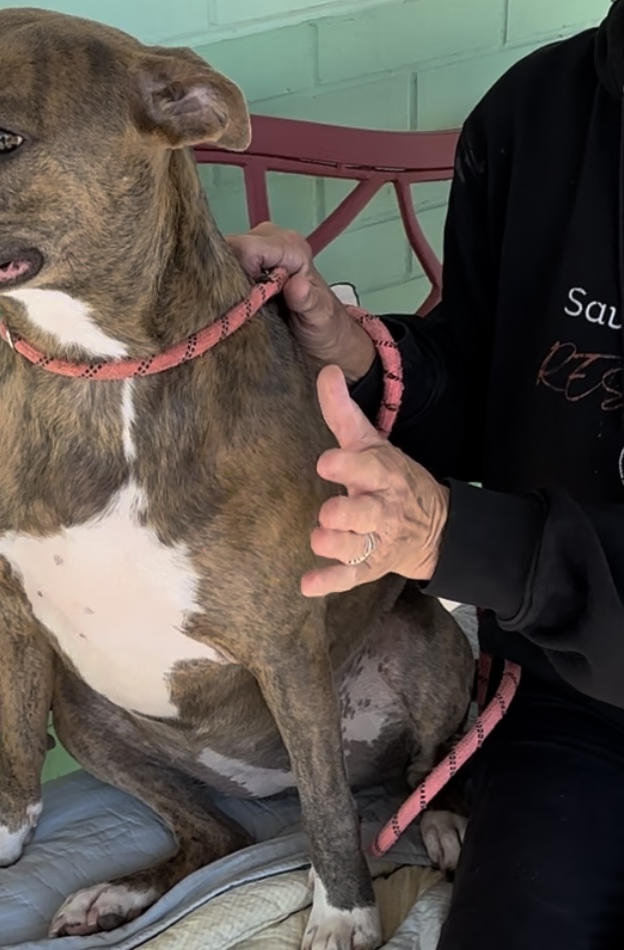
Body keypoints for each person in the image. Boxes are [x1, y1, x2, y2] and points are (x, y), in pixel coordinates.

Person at [229, 4, 624, 948]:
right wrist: (357, 353)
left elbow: (459, 525)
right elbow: (491, 378)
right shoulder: (537, 112)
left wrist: (455, 536)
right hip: (566, 702)